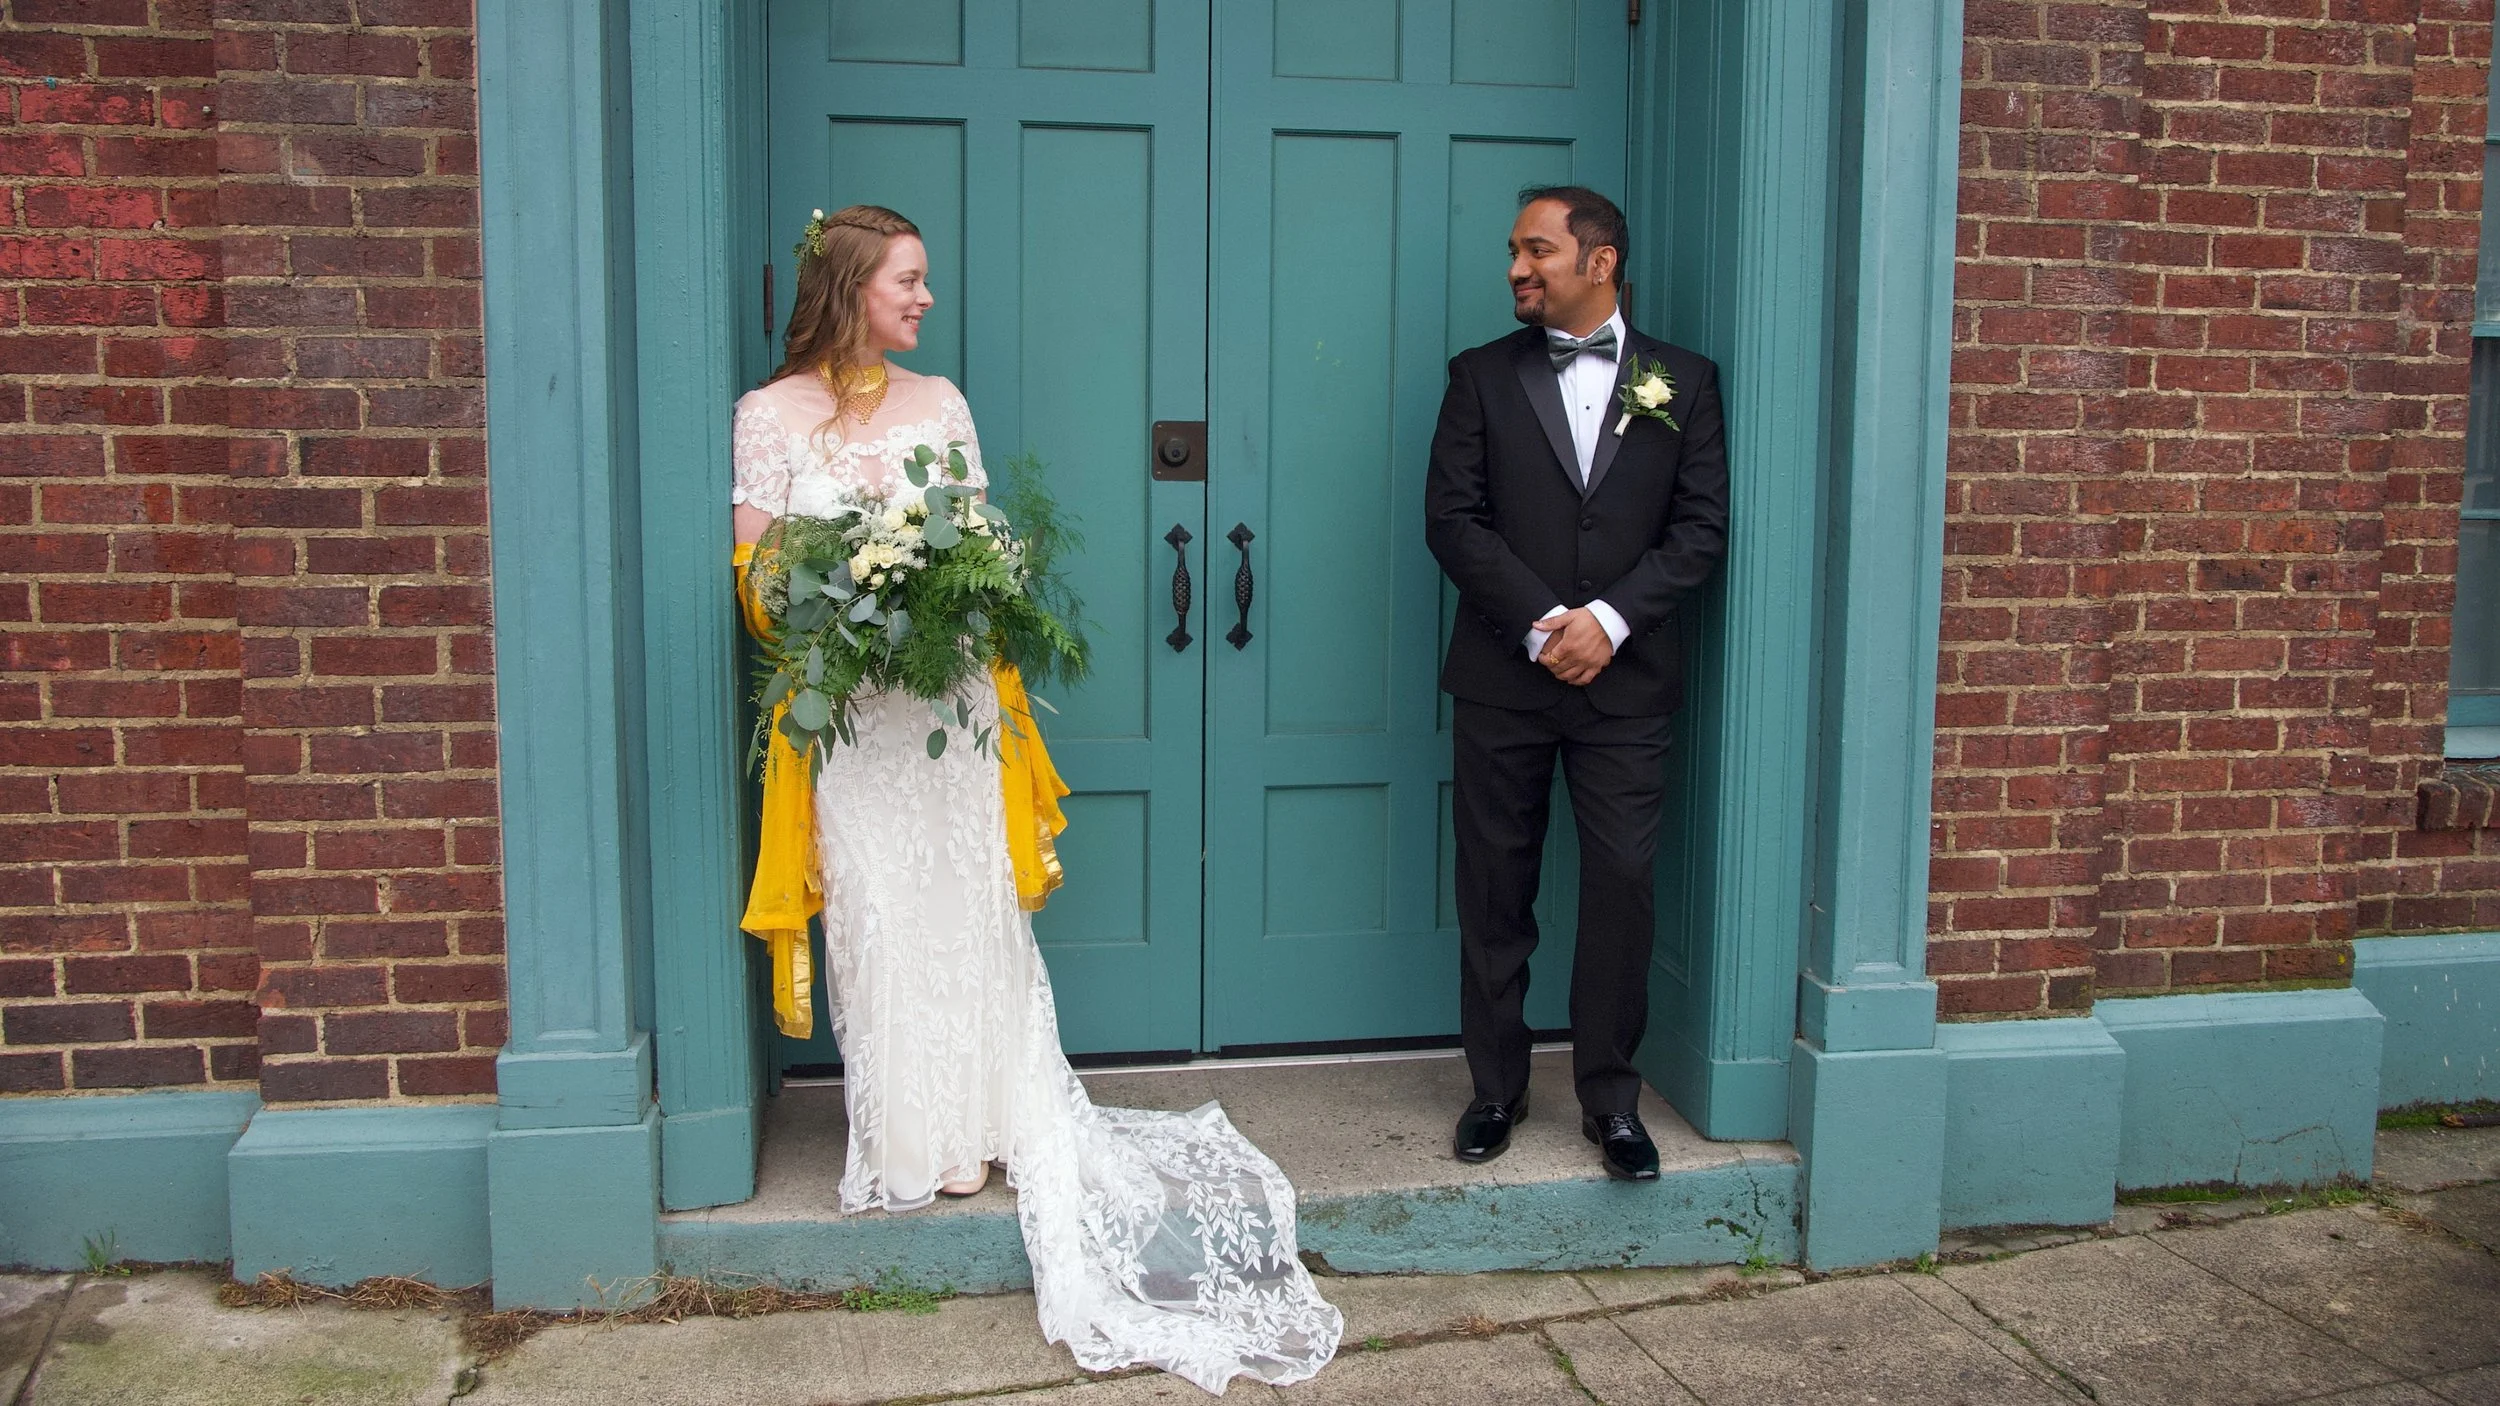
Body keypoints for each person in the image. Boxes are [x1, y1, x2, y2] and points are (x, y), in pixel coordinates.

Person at [730, 205, 1340, 1393]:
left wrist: (952, 587)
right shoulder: (767, 416)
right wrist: (846, 592)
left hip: (947, 703)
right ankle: (919, 1136)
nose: (926, 300)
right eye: (909, 281)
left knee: (965, 903)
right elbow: (755, 574)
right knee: (878, 907)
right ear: (852, 284)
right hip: (852, 716)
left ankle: (1000, 1114)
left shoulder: (941, 402)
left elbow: (980, 538)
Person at [1423, 186, 1731, 1183]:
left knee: (1621, 887)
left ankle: (1610, 1098)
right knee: (1494, 885)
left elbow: (1698, 530)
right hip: (1505, 678)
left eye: (1536, 251)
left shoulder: (1683, 379)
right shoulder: (1478, 376)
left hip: (1626, 684)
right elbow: (1453, 519)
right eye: (1513, 251)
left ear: (1598, 262)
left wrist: (1607, 621)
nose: (1516, 268)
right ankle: (1496, 1089)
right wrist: (1546, 624)